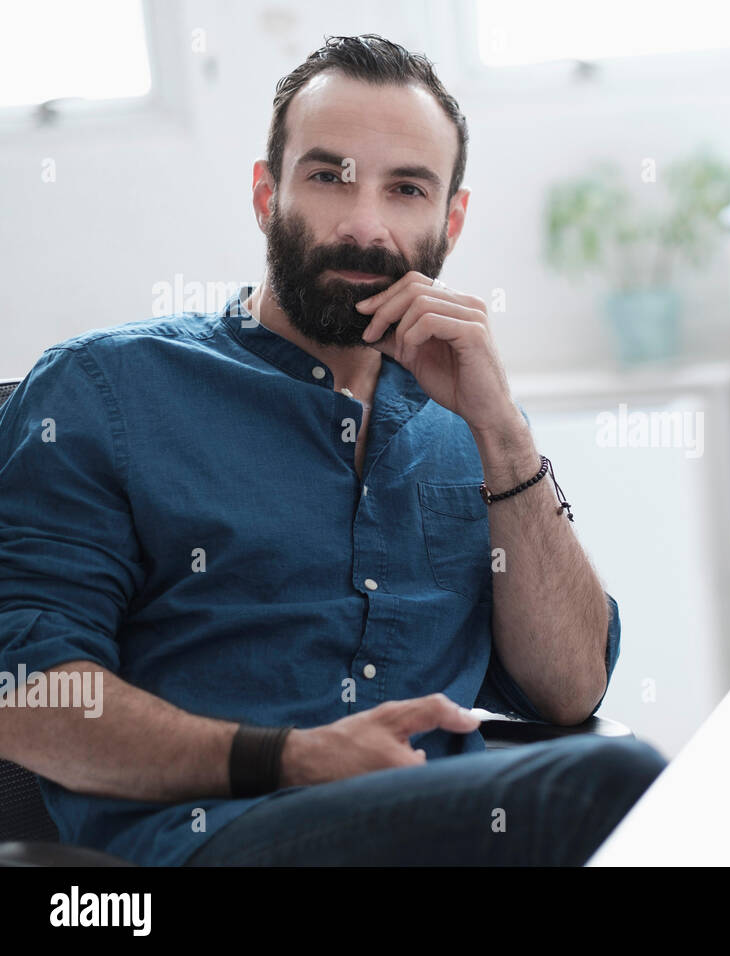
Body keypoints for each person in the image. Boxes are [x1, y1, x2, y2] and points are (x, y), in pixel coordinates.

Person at [0, 34, 666, 866]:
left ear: (450, 221)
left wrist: (502, 432)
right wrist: (292, 757)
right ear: (264, 193)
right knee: (603, 785)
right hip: (204, 842)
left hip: (444, 835)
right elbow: (27, 696)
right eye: (327, 177)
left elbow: (571, 689)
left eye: (407, 189)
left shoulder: (472, 422)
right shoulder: (104, 391)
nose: (364, 225)